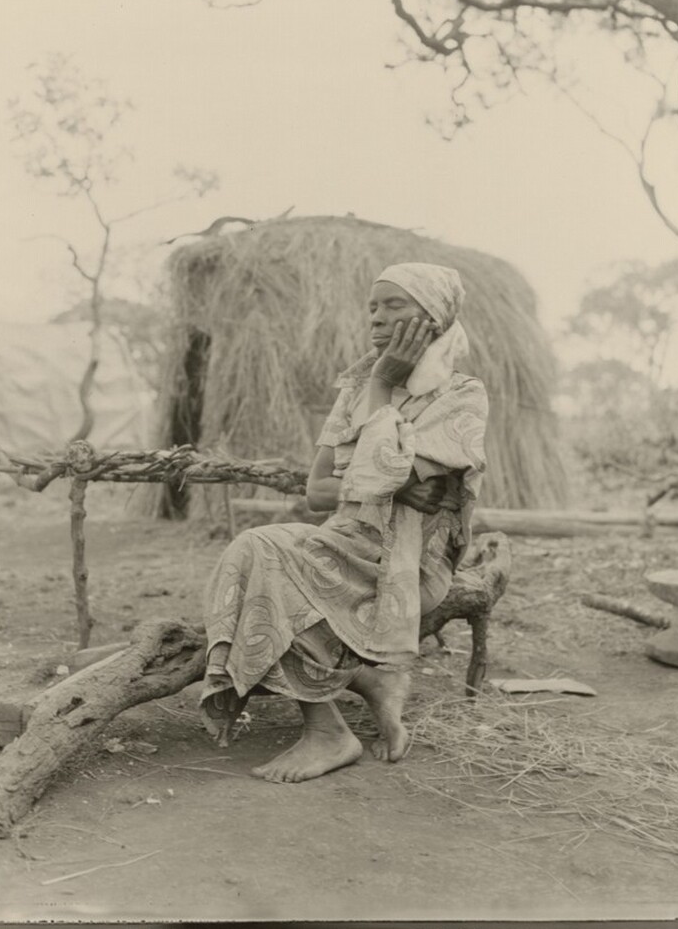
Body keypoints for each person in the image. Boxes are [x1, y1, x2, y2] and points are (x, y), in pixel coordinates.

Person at [200, 262, 488, 783]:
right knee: (251, 550)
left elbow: (381, 473)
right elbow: (317, 492)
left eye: (394, 305)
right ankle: (361, 691)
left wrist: (382, 387)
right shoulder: (355, 387)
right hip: (344, 542)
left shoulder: (462, 395)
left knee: (272, 561)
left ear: (434, 317)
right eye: (373, 307)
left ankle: (328, 731)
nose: (376, 318)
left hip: (406, 567)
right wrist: (389, 475)